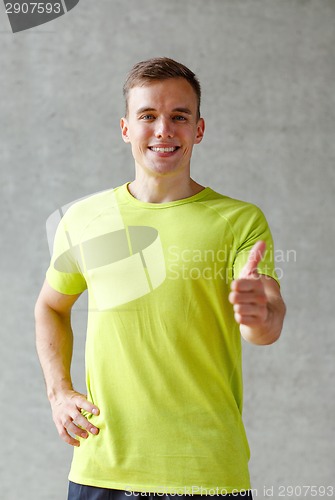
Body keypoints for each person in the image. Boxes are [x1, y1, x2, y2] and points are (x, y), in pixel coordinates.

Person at [35, 57, 286, 500]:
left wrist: (258, 312)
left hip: (207, 473)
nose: (164, 130)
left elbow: (264, 324)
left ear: (199, 129)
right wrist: (59, 392)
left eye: (179, 117)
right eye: (148, 116)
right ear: (126, 128)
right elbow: (51, 306)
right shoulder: (85, 219)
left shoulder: (239, 221)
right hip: (102, 469)